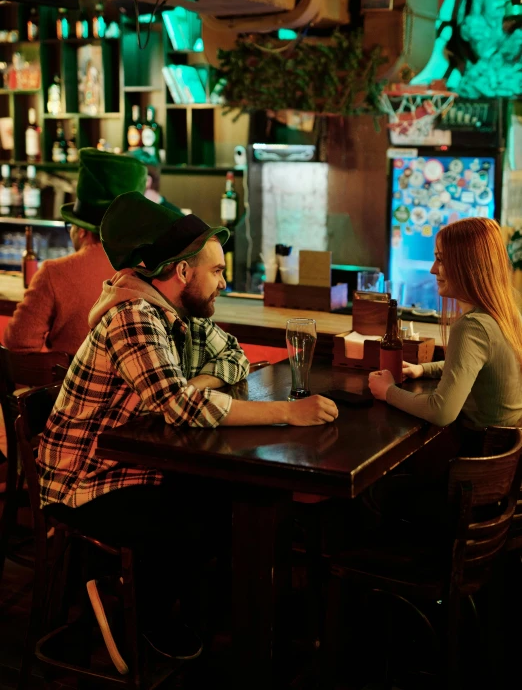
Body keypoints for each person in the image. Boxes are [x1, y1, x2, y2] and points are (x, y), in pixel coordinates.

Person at [39, 191, 337, 666]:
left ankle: (223, 621)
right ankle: (135, 615)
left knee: (232, 504)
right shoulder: (133, 315)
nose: (224, 281)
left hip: (133, 460)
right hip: (85, 480)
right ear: (182, 272)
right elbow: (179, 408)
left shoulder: (180, 313)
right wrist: (287, 411)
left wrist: (194, 385)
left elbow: (233, 357)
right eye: (217, 271)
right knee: (203, 517)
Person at [369, 216, 522, 434]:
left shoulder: (472, 326)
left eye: (441, 259)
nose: (433, 269)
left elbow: (442, 412)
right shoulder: (506, 308)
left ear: (468, 265)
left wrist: (388, 391)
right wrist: (422, 369)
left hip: (477, 453)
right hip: (507, 451)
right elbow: (472, 365)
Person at [4, 149, 147, 358]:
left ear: (81, 230)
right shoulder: (153, 271)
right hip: (139, 389)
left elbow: (17, 342)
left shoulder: (54, 273)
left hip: (66, 388)